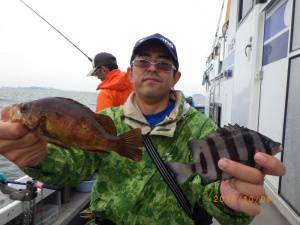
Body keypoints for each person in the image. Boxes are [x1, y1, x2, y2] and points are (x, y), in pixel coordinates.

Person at [0, 33, 285, 225]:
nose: (152, 68)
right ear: (130, 72)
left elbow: (212, 191)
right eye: (143, 61)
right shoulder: (108, 119)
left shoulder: (202, 128)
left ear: (176, 77)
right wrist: (37, 156)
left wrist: (229, 200)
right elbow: (76, 165)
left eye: (163, 64)